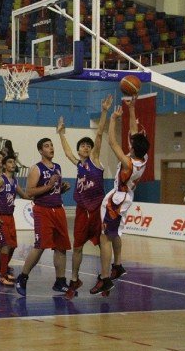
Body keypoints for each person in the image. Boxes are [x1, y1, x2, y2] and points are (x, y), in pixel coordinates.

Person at [91, 95, 149, 295]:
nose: (130, 142)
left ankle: (105, 278)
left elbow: (112, 141)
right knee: (115, 233)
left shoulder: (128, 163)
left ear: (133, 148)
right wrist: (132, 110)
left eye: (132, 143)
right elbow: (134, 131)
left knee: (104, 238)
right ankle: (118, 264)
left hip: (117, 199)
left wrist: (114, 118)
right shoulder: (144, 157)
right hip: (126, 197)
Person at [58, 95, 112, 298]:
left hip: (97, 210)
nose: (86, 147)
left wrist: (104, 111)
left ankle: (104, 277)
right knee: (78, 247)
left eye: (88, 146)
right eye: (83, 146)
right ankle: (74, 279)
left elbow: (98, 136)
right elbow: (67, 152)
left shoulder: (95, 160)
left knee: (102, 246)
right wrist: (61, 133)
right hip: (82, 210)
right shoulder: (79, 164)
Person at [14, 137, 72, 297]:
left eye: (52, 145)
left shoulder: (58, 167)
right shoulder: (36, 168)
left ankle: (60, 281)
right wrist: (49, 185)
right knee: (40, 246)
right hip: (43, 210)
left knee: (61, 246)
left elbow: (53, 190)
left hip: (58, 209)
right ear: (41, 151)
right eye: (47, 146)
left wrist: (62, 189)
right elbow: (30, 192)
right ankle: (23, 277)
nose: (51, 148)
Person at [0, 155, 29, 286]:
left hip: (10, 217)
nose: (13, 164)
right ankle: (3, 275)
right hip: (1, 216)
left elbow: (25, 195)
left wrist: (44, 193)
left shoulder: (15, 181)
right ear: (4, 165)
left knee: (13, 246)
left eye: (14, 162)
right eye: (10, 162)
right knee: (5, 245)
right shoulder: (1, 180)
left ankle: (3, 270)